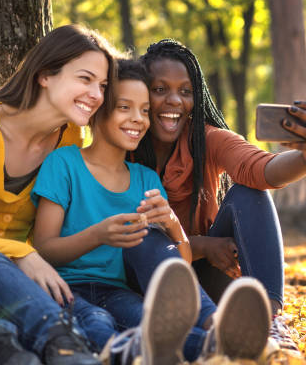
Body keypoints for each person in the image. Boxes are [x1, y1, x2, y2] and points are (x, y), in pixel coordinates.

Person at [28, 58, 271, 363]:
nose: (138, 119)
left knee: (152, 324)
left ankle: (220, 338)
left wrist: (171, 223)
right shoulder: (63, 164)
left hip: (118, 291)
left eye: (144, 110)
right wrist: (98, 235)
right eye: (124, 107)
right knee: (98, 325)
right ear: (97, 110)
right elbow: (44, 249)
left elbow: (175, 264)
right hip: (65, 289)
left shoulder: (145, 178)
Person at [0, 24, 118, 365]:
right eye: (86, 79)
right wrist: (21, 253)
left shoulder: (70, 137)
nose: (97, 95)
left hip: (11, 280)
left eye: (103, 85)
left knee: (95, 318)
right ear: (45, 75)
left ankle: (80, 352)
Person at [132, 39, 306, 352]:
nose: (175, 101)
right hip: (146, 278)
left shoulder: (206, 139)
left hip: (209, 277)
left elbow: (262, 169)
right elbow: (132, 237)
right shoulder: (124, 145)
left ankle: (270, 321)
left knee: (249, 194)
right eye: (160, 90)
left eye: (186, 91)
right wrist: (203, 245)